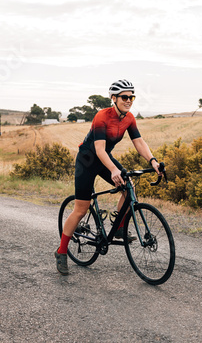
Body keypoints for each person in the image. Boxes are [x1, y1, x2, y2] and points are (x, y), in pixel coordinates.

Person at [55, 79, 161, 275]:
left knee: (129, 187)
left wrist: (153, 161)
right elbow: (99, 149)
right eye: (124, 97)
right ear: (114, 98)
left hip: (104, 159)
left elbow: (139, 142)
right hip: (87, 161)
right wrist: (113, 170)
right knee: (81, 209)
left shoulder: (129, 118)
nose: (129, 100)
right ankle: (61, 252)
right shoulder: (101, 117)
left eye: (131, 97)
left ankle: (119, 226)